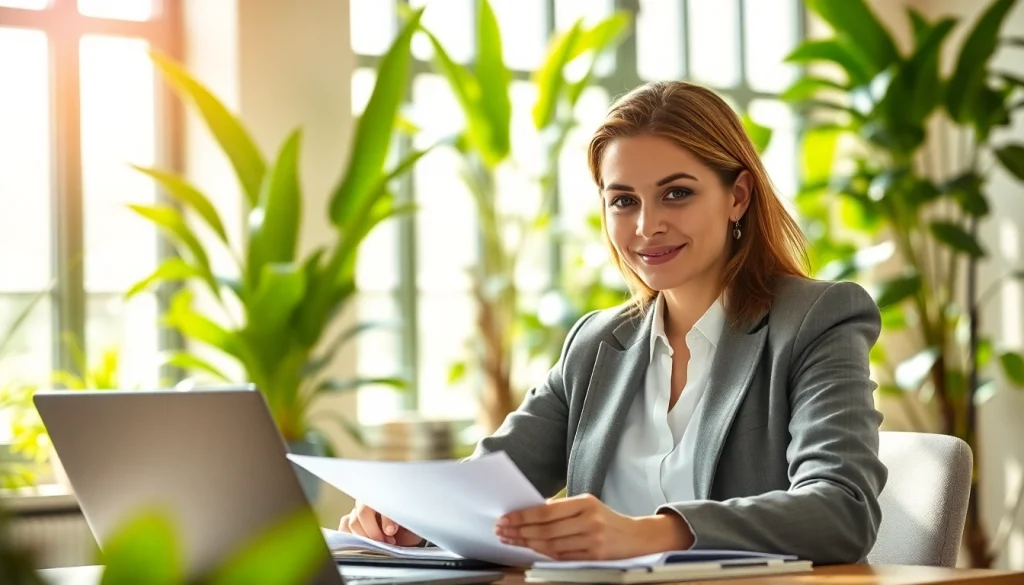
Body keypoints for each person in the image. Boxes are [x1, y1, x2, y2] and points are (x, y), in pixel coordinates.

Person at [337, 81, 887, 565]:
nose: (648, 226)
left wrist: (650, 534)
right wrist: (410, 516)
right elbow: (488, 489)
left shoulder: (816, 320)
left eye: (677, 193)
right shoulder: (598, 343)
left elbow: (842, 508)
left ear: (737, 196)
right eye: (623, 200)